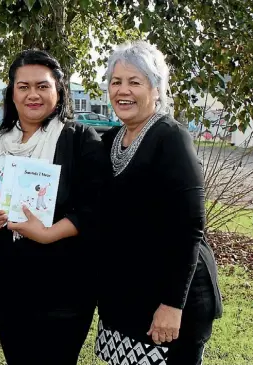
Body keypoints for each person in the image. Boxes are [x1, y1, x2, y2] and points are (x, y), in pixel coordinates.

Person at [0, 49, 110, 365]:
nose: (34, 94)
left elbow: (97, 208)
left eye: (43, 86)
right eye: (24, 86)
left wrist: (48, 233)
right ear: (12, 94)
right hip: (5, 284)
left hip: (65, 284)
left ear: (58, 92)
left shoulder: (81, 141)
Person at [95, 41, 223, 365]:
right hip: (126, 299)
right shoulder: (111, 140)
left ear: (156, 89)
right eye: (115, 81)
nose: (122, 90)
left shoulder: (171, 138)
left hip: (169, 305)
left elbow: (190, 228)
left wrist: (172, 305)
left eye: (134, 82)